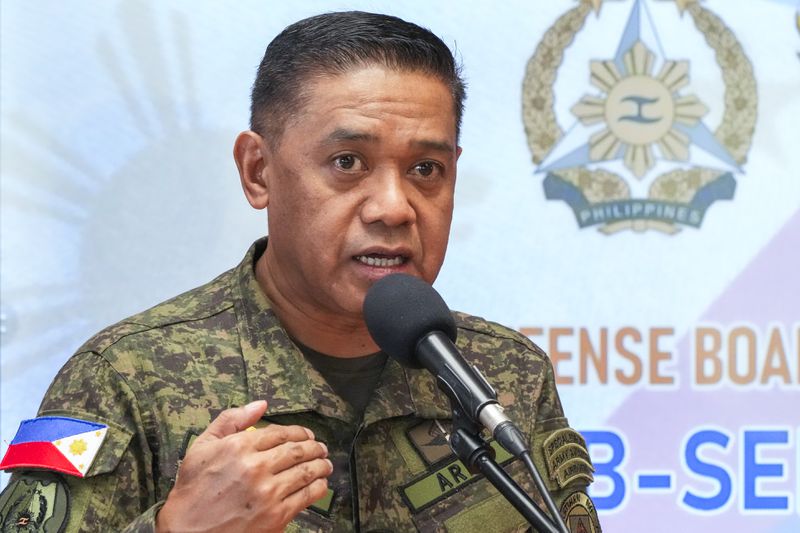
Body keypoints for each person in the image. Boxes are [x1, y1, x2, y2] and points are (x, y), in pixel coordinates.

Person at [0, 11, 601, 533]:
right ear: (258, 171)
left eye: (425, 169)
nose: (394, 207)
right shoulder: (125, 377)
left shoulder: (503, 372)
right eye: (347, 162)